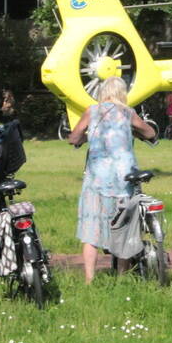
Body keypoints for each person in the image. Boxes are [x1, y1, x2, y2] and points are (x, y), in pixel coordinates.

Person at [69, 76, 156, 283]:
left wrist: (84, 138)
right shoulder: (128, 113)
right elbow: (150, 132)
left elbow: (74, 137)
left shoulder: (92, 111)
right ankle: (121, 276)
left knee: (91, 230)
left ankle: (89, 279)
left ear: (103, 92)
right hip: (123, 178)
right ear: (122, 93)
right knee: (123, 228)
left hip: (97, 179)